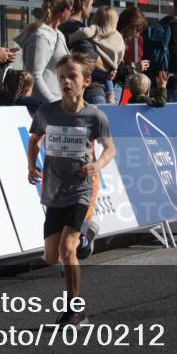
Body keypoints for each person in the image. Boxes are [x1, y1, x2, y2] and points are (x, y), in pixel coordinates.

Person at [26, 53, 116, 327]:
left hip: (81, 190)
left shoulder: (94, 116)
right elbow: (34, 141)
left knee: (67, 251)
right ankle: (87, 236)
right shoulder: (46, 112)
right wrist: (32, 166)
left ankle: (75, 311)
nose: (66, 81)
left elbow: (110, 148)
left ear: (86, 81)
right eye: (62, 76)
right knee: (51, 256)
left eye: (72, 76)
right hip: (54, 190)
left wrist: (97, 164)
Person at [14, 0, 74, 102]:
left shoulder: (58, 34)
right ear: (64, 11)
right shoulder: (40, 36)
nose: (72, 13)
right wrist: (53, 103)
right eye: (71, 10)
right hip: (44, 107)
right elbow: (34, 76)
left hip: (58, 102)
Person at [59, 0, 106, 105]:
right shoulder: (75, 28)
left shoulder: (68, 26)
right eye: (91, 4)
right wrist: (110, 68)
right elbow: (91, 57)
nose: (91, 8)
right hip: (90, 90)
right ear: (84, 5)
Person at [70, 6, 125, 104]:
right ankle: (111, 95)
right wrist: (115, 66)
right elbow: (121, 54)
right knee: (108, 84)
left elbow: (85, 33)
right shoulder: (118, 36)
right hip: (110, 70)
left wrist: (71, 38)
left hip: (95, 71)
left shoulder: (96, 29)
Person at [114, 6, 150, 103]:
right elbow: (114, 68)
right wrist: (134, 68)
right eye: (137, 30)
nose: (137, 35)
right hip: (113, 87)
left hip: (116, 86)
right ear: (129, 24)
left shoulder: (119, 38)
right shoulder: (116, 38)